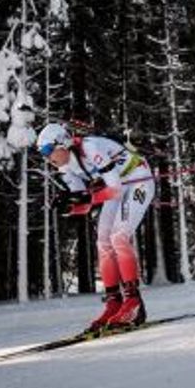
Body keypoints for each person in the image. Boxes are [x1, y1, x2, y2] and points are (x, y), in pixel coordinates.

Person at [36, 122, 155, 331]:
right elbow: (84, 204)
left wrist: (83, 197)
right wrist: (69, 205)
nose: (47, 158)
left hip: (138, 179)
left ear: (61, 143)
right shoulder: (65, 167)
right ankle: (114, 302)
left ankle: (134, 303)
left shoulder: (90, 147)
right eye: (42, 153)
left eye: (47, 150)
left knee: (118, 236)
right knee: (102, 242)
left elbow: (114, 189)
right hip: (117, 186)